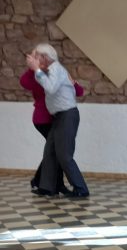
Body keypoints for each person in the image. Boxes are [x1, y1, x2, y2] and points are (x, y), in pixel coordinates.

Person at [25, 44, 89, 198]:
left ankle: (81, 189)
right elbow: (34, 81)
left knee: (64, 155)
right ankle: (47, 188)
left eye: (37, 56)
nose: (34, 59)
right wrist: (36, 69)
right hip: (59, 117)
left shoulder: (56, 69)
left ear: (45, 58)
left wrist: (36, 69)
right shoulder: (50, 70)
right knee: (50, 152)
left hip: (67, 115)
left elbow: (51, 87)